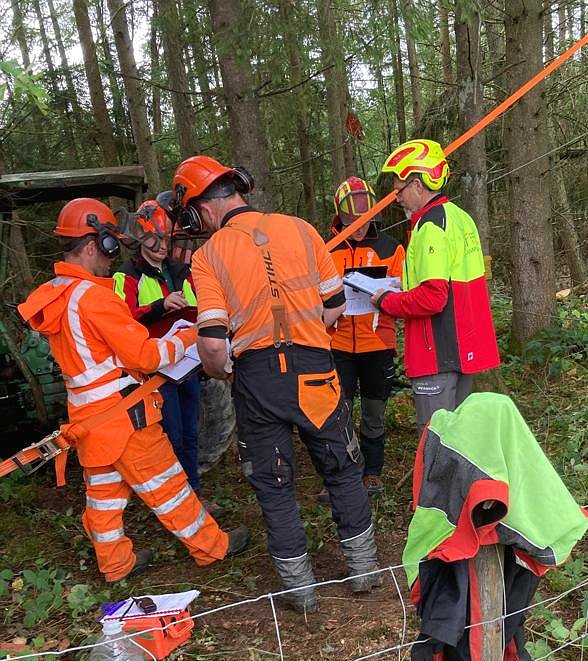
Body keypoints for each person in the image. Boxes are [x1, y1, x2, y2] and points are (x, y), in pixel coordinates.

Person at [164, 155, 380, 612]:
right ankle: (363, 569)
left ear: (201, 208)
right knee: (342, 468)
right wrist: (306, 333)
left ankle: (301, 591)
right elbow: (334, 306)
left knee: (274, 483)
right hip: (315, 369)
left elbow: (213, 342)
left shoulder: (208, 256)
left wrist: (221, 369)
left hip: (256, 377)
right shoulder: (301, 229)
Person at [18, 198, 250, 582]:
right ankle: (213, 547)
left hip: (89, 419)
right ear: (92, 244)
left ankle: (115, 564)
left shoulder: (58, 294)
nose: (113, 256)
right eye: (110, 244)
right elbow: (145, 355)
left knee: (104, 497)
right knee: (169, 486)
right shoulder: (93, 297)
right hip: (124, 418)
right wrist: (190, 337)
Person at [372, 138, 501, 433]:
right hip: (463, 348)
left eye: (399, 190)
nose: (397, 198)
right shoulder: (460, 217)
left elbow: (433, 297)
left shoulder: (430, 226)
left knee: (435, 441)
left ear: (418, 185)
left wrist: (386, 300)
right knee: (458, 440)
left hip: (436, 352)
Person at [113, 200, 223, 518]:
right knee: (170, 435)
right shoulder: (126, 276)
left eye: (165, 239)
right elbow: (120, 322)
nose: (161, 246)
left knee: (190, 432)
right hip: (154, 371)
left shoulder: (181, 271)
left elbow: (201, 307)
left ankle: (194, 495)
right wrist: (159, 307)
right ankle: (175, 503)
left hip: (186, 365)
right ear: (141, 239)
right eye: (154, 240)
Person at [324, 177, 404, 497]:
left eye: (365, 220)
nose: (358, 228)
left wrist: (387, 293)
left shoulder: (390, 248)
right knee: (338, 412)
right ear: (339, 218)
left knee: (373, 411)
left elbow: (404, 293)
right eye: (351, 222)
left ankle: (372, 471)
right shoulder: (327, 250)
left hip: (377, 342)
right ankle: (344, 472)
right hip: (337, 343)